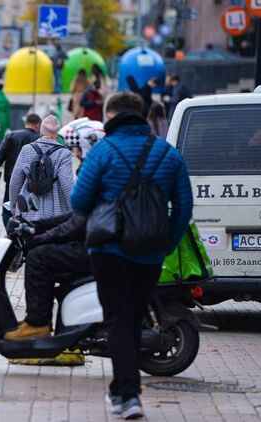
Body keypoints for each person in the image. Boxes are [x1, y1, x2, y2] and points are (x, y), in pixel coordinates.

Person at [70, 92, 193, 419]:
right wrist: (166, 241)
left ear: (111, 117)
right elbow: (184, 207)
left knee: (119, 321)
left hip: (109, 251)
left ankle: (129, 395)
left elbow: (78, 202)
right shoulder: (168, 153)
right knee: (133, 319)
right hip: (150, 252)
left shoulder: (103, 151)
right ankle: (120, 391)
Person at [4, 212, 88, 340]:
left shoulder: (99, 192)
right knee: (44, 252)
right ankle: (42, 321)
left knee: (37, 258)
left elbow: (76, 224)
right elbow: (76, 216)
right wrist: (38, 226)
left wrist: (41, 238)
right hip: (101, 242)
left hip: (100, 248)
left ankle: (37, 323)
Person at [7, 115, 73, 222]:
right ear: (57, 132)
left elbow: (15, 182)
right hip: (55, 216)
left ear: (41, 130)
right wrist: (74, 212)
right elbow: (67, 185)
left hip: (28, 212)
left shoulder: (27, 149)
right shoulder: (64, 153)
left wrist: (14, 207)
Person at [0, 113, 42, 227]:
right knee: (29, 208)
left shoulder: (12, 135)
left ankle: (11, 231)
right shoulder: (39, 139)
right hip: (31, 182)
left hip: (11, 179)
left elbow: (0, 155)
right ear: (38, 124)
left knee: (8, 208)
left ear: (26, 123)